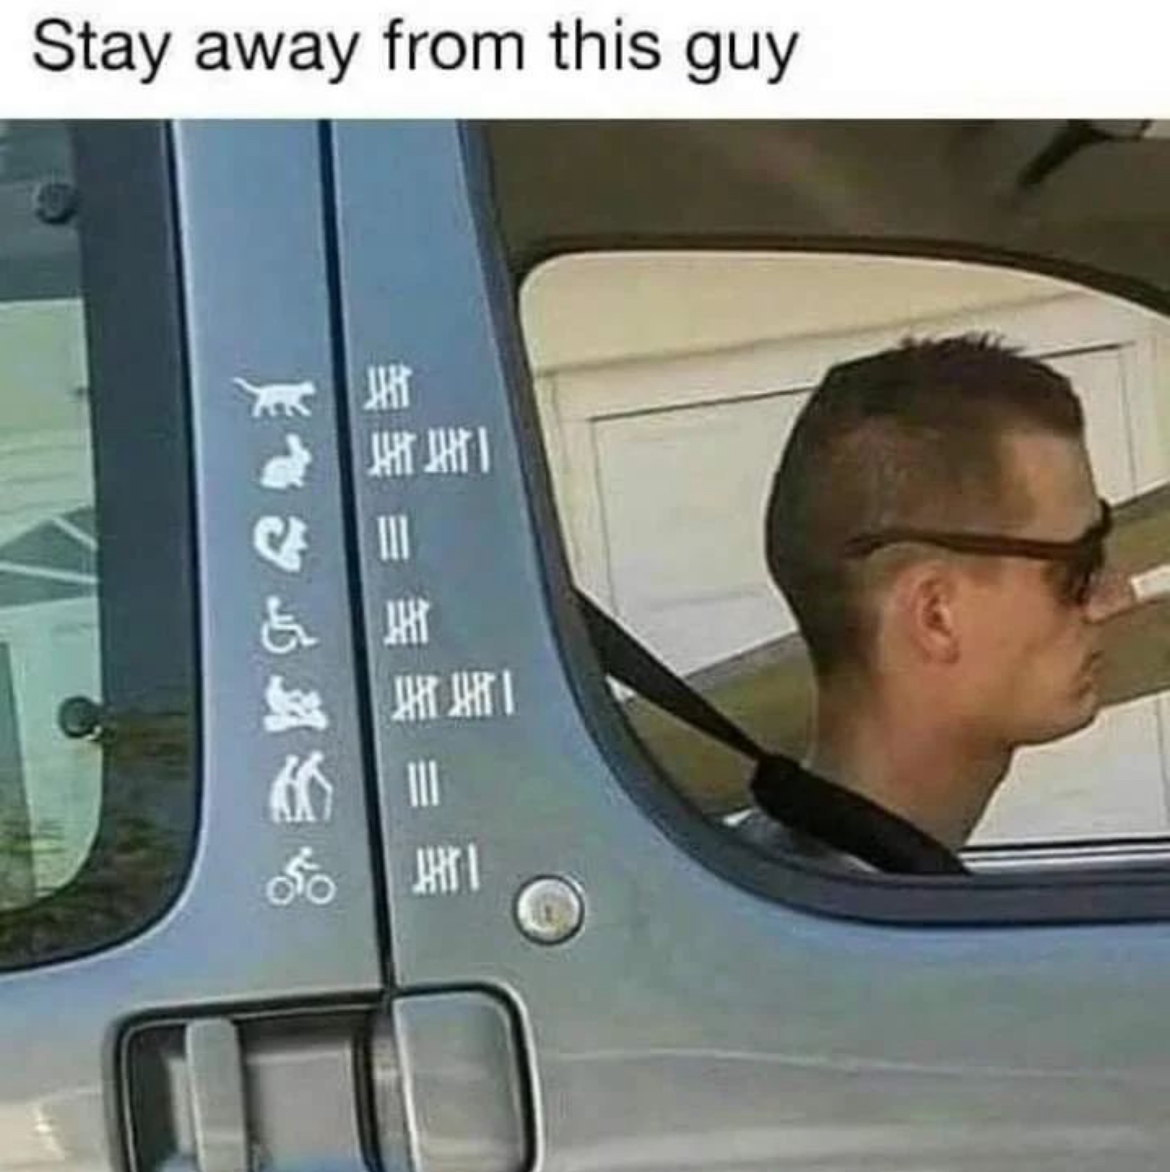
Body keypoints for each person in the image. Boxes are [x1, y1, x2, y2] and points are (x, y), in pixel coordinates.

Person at [739, 335, 1137, 875]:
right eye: (1079, 567)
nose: (1117, 596)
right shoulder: (848, 921)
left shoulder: (803, 894)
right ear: (936, 617)